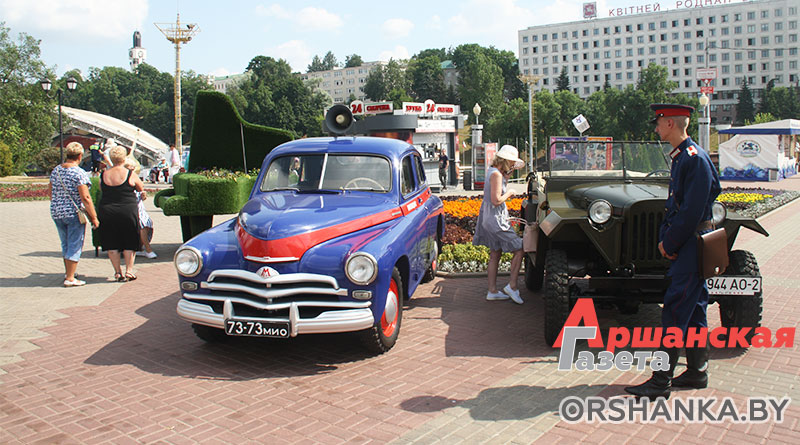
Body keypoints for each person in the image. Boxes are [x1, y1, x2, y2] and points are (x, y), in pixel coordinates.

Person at [625, 104, 721, 400]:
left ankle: (660, 380)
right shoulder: (686, 157)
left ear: (670, 123)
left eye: (658, 122)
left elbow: (691, 210)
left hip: (691, 246)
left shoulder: (693, 158)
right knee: (695, 310)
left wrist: (670, 243)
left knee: (675, 311)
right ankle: (697, 371)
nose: (656, 128)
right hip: (690, 244)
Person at [472, 145, 526, 305]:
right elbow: (496, 200)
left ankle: (492, 291)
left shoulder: (493, 171)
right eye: (511, 163)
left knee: (495, 253)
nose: (512, 165)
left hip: (489, 218)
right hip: (496, 219)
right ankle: (512, 286)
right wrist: (509, 193)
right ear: (506, 160)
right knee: (520, 248)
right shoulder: (496, 174)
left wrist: (508, 174)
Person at [49, 142, 100, 287]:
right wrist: (94, 217)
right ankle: (70, 278)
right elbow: (86, 197)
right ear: (80, 155)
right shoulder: (79, 172)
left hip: (57, 211)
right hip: (74, 212)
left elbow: (50, 192)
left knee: (65, 243)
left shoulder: (56, 170)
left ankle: (69, 272)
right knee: (75, 243)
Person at [97, 144, 145, 282]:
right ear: (124, 158)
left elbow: (101, 189)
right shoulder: (130, 174)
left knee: (111, 242)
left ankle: (117, 272)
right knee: (129, 240)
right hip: (127, 210)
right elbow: (140, 187)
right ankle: (129, 271)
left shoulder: (104, 174)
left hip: (107, 210)